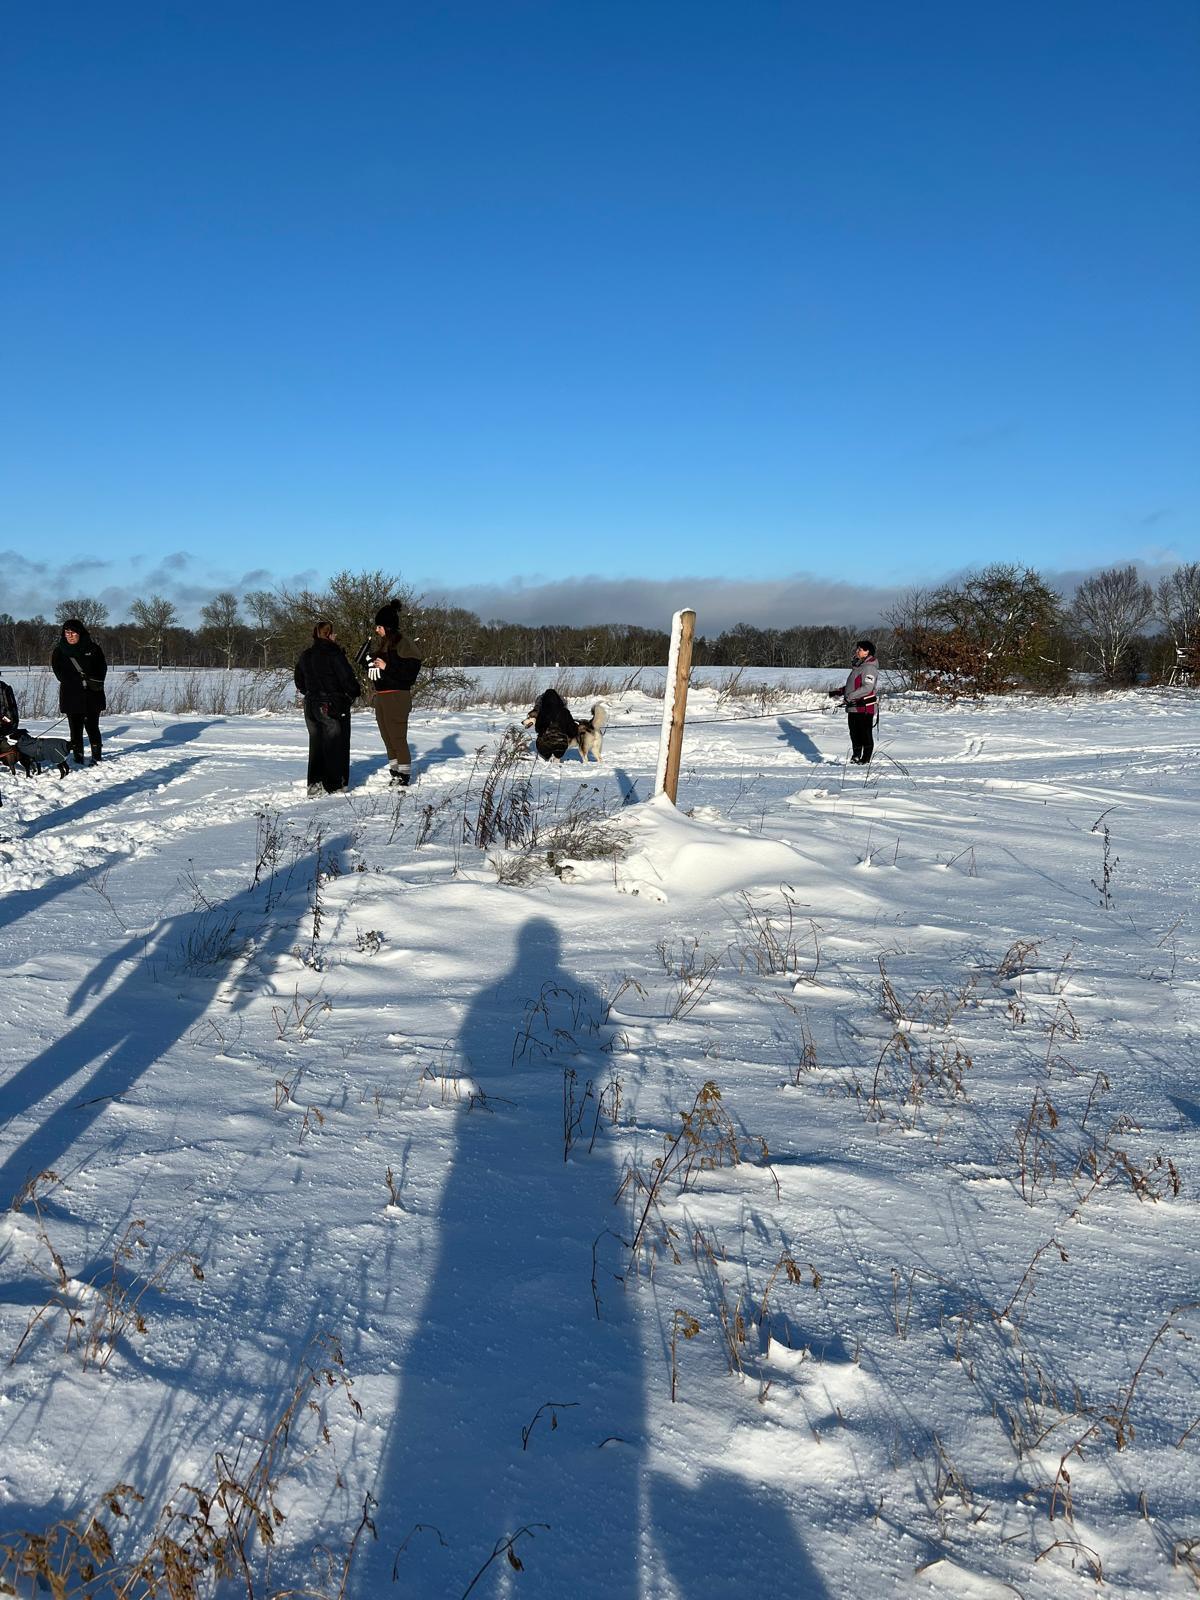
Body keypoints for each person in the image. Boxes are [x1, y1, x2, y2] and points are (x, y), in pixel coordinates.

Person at [294, 619, 360, 794]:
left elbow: (299, 680)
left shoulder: (306, 655)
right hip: (332, 703)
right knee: (336, 743)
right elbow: (347, 679)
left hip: (310, 704)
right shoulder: (334, 653)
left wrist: (308, 690)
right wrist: (352, 693)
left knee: (316, 743)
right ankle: (334, 784)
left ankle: (314, 783)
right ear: (330, 634)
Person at [360, 601, 422, 785]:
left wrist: (387, 666)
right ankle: (394, 771)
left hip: (397, 696)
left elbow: (410, 672)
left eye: (379, 626)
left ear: (387, 626)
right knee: (387, 736)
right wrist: (368, 663)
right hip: (383, 696)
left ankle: (404, 775)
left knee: (397, 736)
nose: (376, 630)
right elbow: (381, 671)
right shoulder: (384, 644)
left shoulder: (404, 644)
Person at [51, 618, 107, 764]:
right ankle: (78, 758)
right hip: (71, 696)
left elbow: (101, 670)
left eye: (73, 632)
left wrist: (89, 679)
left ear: (80, 633)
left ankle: (96, 757)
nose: (70, 635)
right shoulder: (59, 651)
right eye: (67, 632)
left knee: (92, 727)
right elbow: (59, 674)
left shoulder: (93, 648)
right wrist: (76, 680)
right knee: (75, 730)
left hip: (92, 695)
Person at [828, 639, 879, 765]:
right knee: (854, 733)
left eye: (860, 649)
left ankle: (865, 759)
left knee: (865, 734)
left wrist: (849, 697)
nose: (857, 651)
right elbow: (854, 686)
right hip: (853, 707)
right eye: (857, 649)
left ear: (867, 652)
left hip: (864, 707)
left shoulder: (869, 668)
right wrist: (839, 692)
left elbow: (867, 687)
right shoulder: (858, 667)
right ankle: (856, 755)